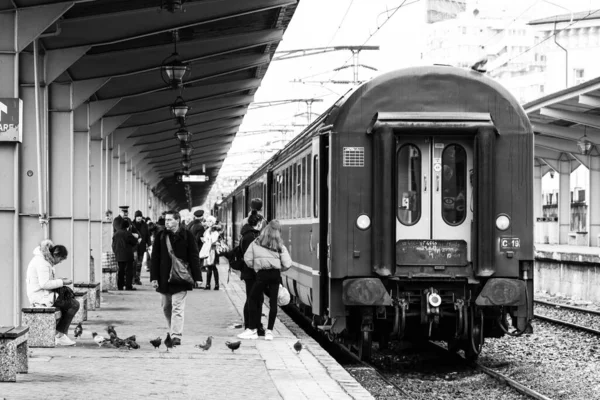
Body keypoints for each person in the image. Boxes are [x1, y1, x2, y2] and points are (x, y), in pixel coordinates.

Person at [150, 210, 202, 345]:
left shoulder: (187, 235)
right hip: (164, 277)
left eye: (169, 220)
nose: (166, 222)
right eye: (165, 220)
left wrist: (197, 277)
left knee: (177, 307)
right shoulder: (160, 235)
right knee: (166, 307)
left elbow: (194, 256)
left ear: (177, 220)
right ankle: (172, 329)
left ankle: (176, 335)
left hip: (181, 278)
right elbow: (154, 257)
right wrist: (153, 277)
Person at [238, 220, 292, 341]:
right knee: (273, 303)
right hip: (275, 274)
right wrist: (279, 269)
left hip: (262, 274)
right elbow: (288, 263)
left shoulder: (256, 242)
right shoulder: (279, 244)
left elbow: (247, 259)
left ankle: (252, 329)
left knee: (252, 298)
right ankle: (269, 332)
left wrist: (257, 267)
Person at [26, 240, 80, 346]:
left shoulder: (43, 260)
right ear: (56, 255)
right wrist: (62, 282)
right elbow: (44, 284)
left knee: (68, 303)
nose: (59, 262)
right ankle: (59, 335)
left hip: (43, 294)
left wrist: (60, 280)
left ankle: (59, 334)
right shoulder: (43, 263)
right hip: (40, 296)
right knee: (74, 304)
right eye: (60, 259)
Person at [237, 210, 265, 335]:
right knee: (254, 300)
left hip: (250, 273)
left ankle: (253, 325)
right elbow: (252, 258)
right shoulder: (250, 237)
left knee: (253, 299)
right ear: (258, 223)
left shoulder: (248, 234)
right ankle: (252, 326)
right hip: (252, 273)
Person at [112, 219, 138, 290]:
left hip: (119, 256)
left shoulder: (116, 234)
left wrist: (116, 252)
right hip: (128, 256)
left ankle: (120, 286)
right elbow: (134, 242)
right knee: (129, 271)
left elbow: (113, 245)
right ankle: (128, 286)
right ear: (127, 226)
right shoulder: (128, 233)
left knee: (121, 271)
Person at [200, 216, 222, 290]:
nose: (208, 222)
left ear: (213, 222)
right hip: (209, 250)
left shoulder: (214, 231)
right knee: (210, 267)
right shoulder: (208, 230)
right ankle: (211, 285)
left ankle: (213, 285)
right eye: (207, 221)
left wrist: (206, 240)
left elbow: (213, 241)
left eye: (210, 221)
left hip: (213, 250)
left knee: (212, 267)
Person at [132, 210, 151, 285]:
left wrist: (149, 245)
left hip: (142, 246)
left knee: (139, 263)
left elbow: (147, 235)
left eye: (140, 216)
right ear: (135, 217)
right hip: (134, 247)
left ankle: (137, 278)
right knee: (134, 263)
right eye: (137, 216)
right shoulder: (132, 224)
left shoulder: (145, 225)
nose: (139, 218)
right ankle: (133, 279)